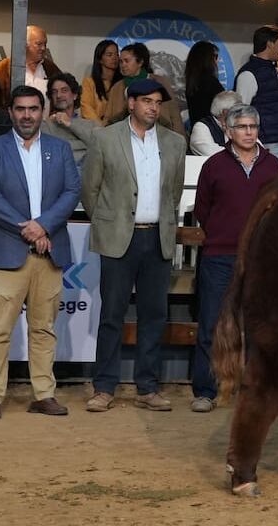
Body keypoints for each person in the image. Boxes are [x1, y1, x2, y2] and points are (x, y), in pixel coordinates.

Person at [0, 85, 81, 420]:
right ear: (10, 111)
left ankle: (43, 394)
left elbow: (72, 191)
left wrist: (44, 225)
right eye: (20, 109)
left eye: (33, 109)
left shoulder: (60, 149)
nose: (26, 115)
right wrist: (30, 229)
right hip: (8, 250)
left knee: (44, 328)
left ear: (43, 111)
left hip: (49, 252)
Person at [80, 79, 186, 413]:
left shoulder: (173, 143)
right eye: (147, 101)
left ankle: (147, 387)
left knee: (153, 315)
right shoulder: (105, 138)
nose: (153, 107)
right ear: (131, 103)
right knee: (112, 314)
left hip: (156, 237)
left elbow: (174, 192)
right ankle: (104, 387)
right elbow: (90, 190)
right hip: (119, 238)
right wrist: (110, 222)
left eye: (158, 102)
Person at [190, 105, 278, 413]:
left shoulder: (273, 167)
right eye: (241, 127)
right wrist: (221, 233)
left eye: (253, 126)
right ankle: (205, 390)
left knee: (258, 327)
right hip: (218, 256)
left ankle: (255, 389)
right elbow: (202, 209)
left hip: (259, 259)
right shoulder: (214, 166)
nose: (248, 132)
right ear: (228, 131)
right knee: (212, 325)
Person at [235, 25, 278, 167]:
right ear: (270, 44)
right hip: (270, 144)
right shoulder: (249, 74)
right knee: (273, 187)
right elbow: (241, 112)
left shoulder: (274, 69)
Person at [106, 43, 186, 137]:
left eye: (127, 61)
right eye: (121, 62)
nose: (123, 65)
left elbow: (174, 114)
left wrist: (180, 139)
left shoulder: (160, 82)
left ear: (140, 62)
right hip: (124, 137)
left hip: (159, 135)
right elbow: (108, 118)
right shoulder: (117, 87)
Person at [0, 25, 61, 106]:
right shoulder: (2, 69)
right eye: (39, 44)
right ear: (25, 44)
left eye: (45, 44)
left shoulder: (50, 68)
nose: (43, 48)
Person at [42, 73, 100, 167]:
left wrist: (70, 124)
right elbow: (51, 152)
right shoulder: (45, 125)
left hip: (86, 173)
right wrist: (83, 145)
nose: (59, 95)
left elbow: (101, 145)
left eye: (64, 90)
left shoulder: (90, 124)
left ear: (74, 95)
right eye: (54, 92)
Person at [80, 39, 125, 126]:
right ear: (100, 59)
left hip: (118, 128)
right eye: (109, 55)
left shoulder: (122, 83)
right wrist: (101, 128)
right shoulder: (89, 82)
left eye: (116, 54)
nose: (115, 58)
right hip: (97, 129)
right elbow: (86, 108)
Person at [190, 90, 241, 158]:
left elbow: (256, 147)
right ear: (225, 112)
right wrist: (243, 153)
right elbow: (212, 153)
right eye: (238, 111)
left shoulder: (238, 125)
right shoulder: (201, 127)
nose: (241, 114)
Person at [184, 41, 223, 129]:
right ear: (207, 59)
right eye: (215, 56)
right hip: (212, 132)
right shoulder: (211, 83)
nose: (218, 60)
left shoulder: (192, 82)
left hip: (197, 130)